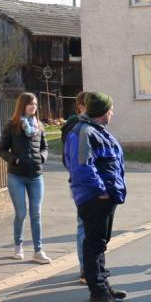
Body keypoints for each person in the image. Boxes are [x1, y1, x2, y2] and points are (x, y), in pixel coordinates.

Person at [63, 92, 127, 302]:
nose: (113, 112)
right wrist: (101, 191)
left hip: (105, 198)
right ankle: (98, 294)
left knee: (100, 244)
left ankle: (103, 285)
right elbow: (82, 167)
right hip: (95, 199)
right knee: (93, 245)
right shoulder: (84, 132)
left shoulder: (97, 131)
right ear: (102, 111)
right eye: (110, 109)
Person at [0, 93, 52, 264]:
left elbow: (45, 147)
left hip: (36, 176)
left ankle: (38, 251)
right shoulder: (12, 126)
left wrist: (42, 157)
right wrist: (14, 159)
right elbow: (2, 149)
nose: (33, 106)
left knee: (36, 213)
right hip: (16, 176)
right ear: (22, 105)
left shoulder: (39, 126)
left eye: (35, 104)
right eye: (30, 104)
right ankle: (18, 246)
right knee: (21, 213)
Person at [60, 92, 89, 282]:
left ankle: (90, 267)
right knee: (84, 225)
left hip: (80, 182)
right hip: (81, 183)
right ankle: (85, 269)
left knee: (87, 226)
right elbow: (70, 158)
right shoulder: (75, 127)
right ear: (80, 107)